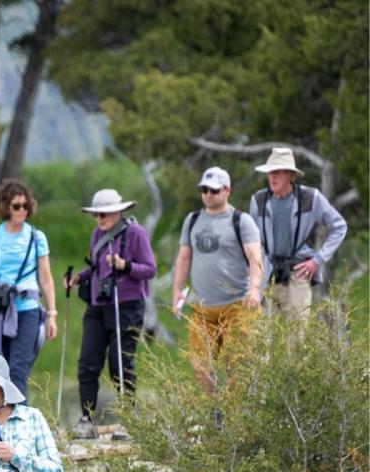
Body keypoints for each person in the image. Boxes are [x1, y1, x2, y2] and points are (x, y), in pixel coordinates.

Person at [66, 189, 157, 439]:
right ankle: (86, 419)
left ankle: (129, 418)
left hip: (126, 305)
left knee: (120, 364)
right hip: (97, 305)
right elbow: (95, 268)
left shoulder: (135, 234)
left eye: (103, 214)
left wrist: (124, 266)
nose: (99, 219)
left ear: (118, 212)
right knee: (87, 363)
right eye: (96, 215)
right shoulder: (97, 234)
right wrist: (77, 279)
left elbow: (150, 269)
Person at [171, 167, 263, 392]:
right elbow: (184, 257)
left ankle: (236, 419)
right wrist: (177, 290)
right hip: (202, 308)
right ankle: (212, 415)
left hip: (237, 306)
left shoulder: (241, 221)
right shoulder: (192, 220)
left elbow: (255, 258)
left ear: (226, 190)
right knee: (201, 365)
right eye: (204, 190)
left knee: (237, 365)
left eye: (213, 190)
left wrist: (254, 288)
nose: (208, 195)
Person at [0, 180, 58, 396]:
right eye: (17, 206)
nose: (22, 211)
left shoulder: (36, 237)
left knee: (19, 368)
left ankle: (19, 416)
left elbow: (46, 278)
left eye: (25, 206)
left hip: (27, 307)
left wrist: (52, 314)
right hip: (1, 307)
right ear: (5, 206)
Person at [248, 148, 347, 321]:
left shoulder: (310, 197)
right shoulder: (258, 200)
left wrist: (317, 261)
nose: (272, 177)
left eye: (277, 172)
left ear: (291, 175)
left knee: (296, 340)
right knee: (259, 339)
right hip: (266, 273)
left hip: (297, 274)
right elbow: (252, 243)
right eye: (270, 172)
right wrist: (252, 283)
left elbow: (339, 226)